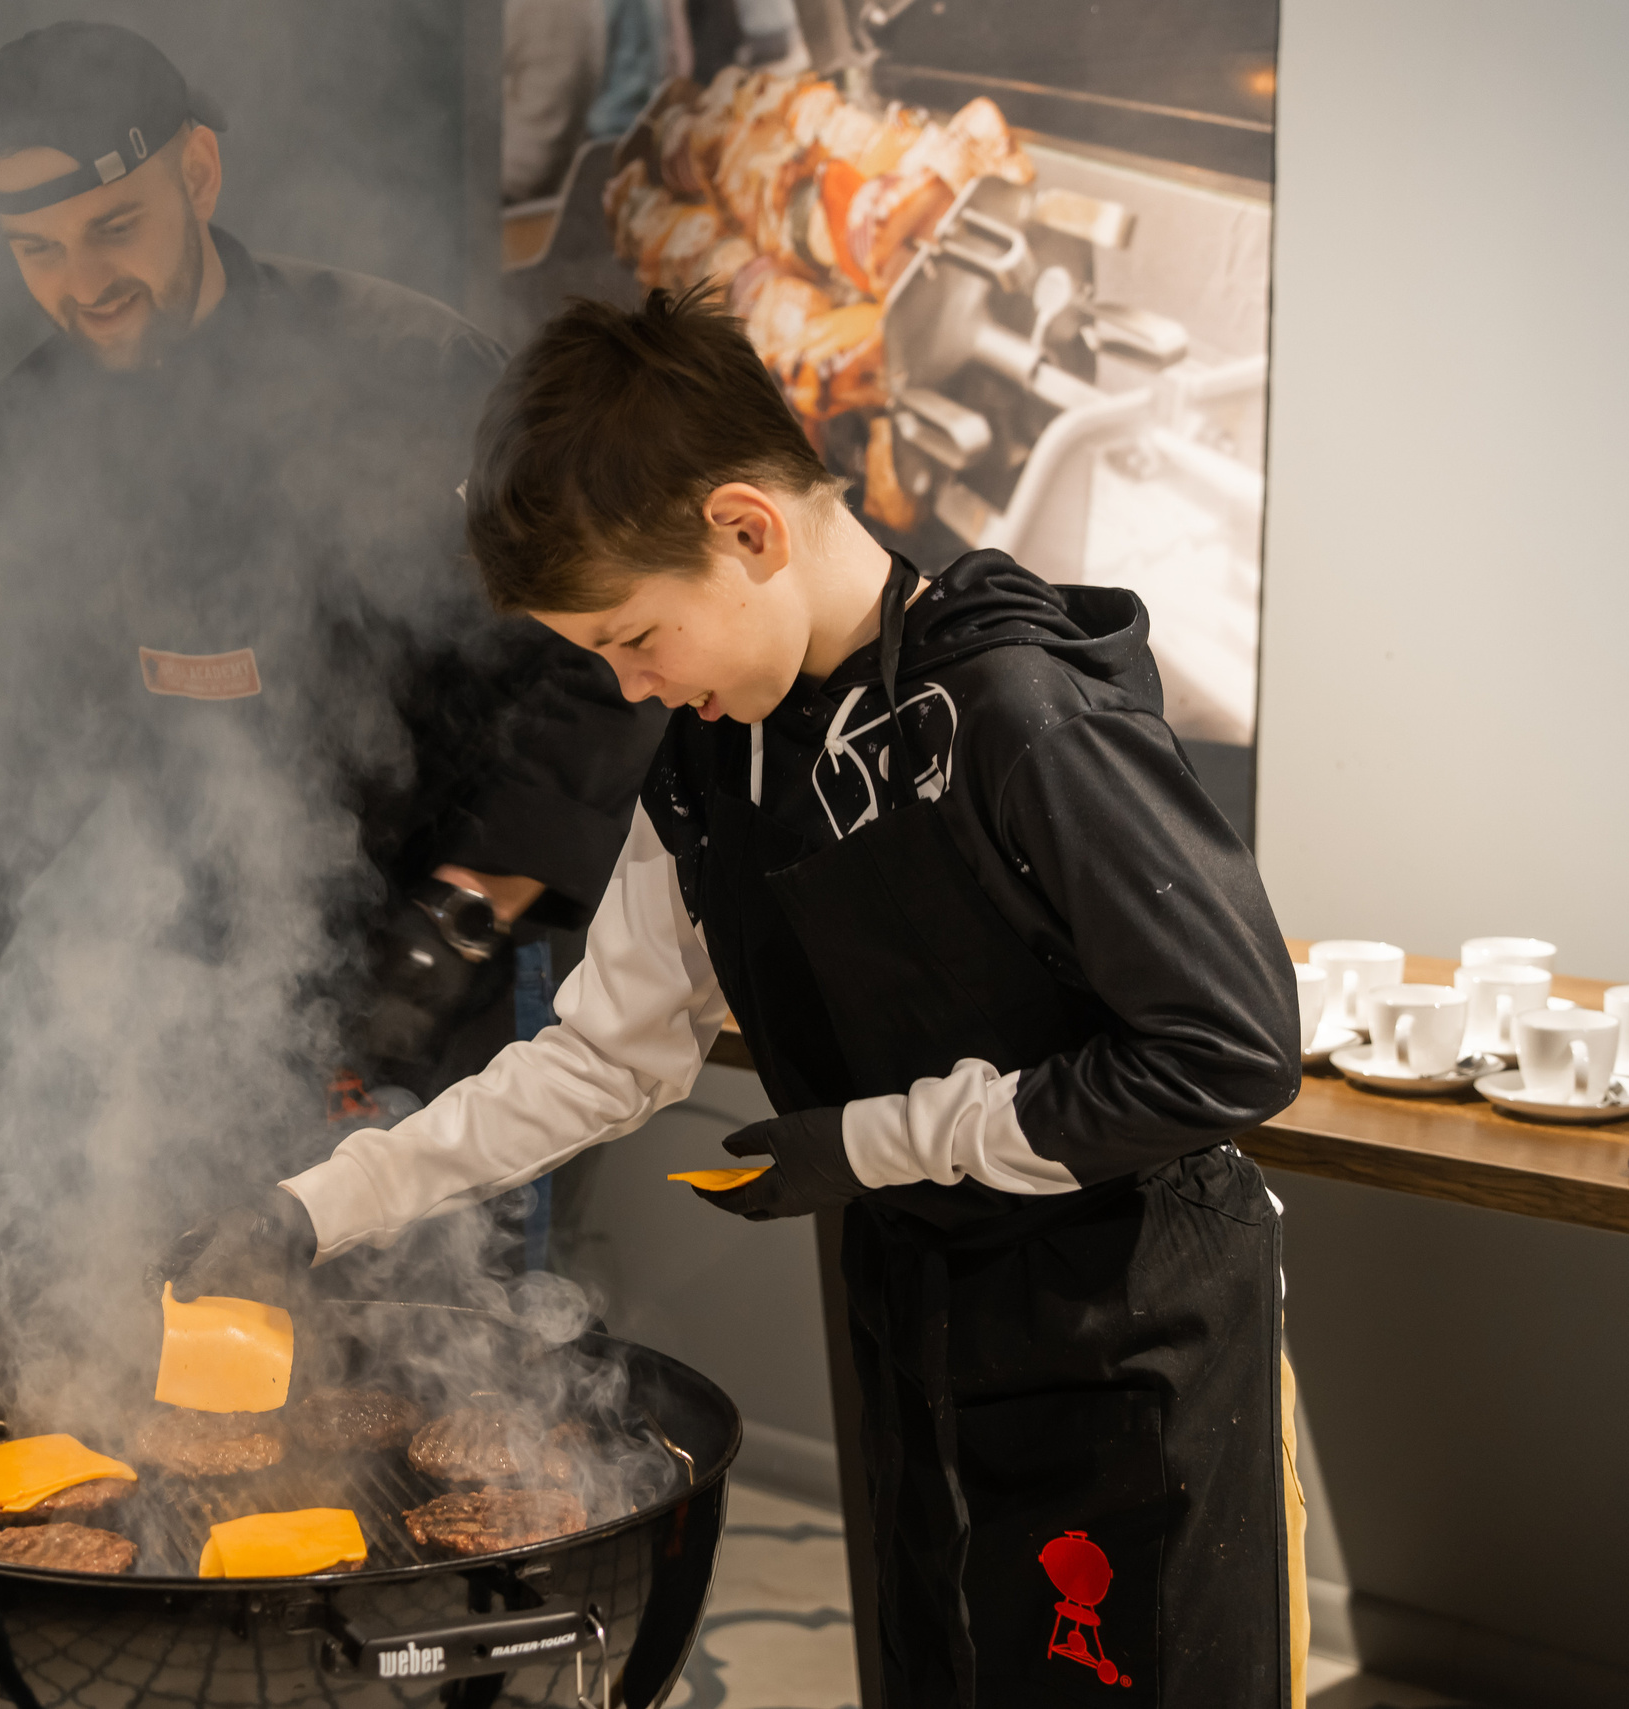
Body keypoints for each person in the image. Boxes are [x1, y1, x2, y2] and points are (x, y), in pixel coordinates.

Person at [171, 285, 1305, 1704]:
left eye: (634, 637)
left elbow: (1229, 1050)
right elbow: (601, 1058)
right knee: (939, 1665)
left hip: (1131, 1326)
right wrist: (320, 1204)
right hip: (918, 1298)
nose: (633, 683)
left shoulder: (1021, 711)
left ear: (748, 530)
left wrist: (882, 1140)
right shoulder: (714, 763)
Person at [0, 23, 662, 1127]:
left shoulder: (411, 376)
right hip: (206, 979)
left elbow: (594, 666)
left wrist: (448, 932)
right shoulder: (20, 444)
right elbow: (36, 730)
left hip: (457, 958)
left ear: (196, 170)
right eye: (36, 249)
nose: (83, 283)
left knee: (439, 1297)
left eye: (113, 226)